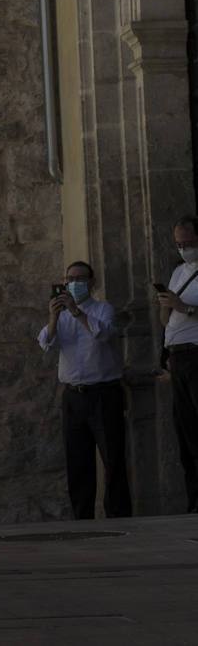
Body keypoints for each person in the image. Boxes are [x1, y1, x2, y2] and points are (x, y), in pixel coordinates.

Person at [37, 260, 131, 519]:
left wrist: (77, 313)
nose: (74, 284)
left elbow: (103, 334)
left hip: (103, 393)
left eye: (80, 279)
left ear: (92, 282)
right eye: (69, 279)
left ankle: (119, 517)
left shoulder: (103, 310)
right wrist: (54, 316)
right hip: (74, 397)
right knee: (78, 461)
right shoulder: (62, 316)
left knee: (112, 459)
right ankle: (82, 518)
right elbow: (46, 343)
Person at [157, 214, 198, 512]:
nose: (183, 248)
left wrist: (182, 306)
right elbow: (167, 320)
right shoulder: (178, 273)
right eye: (179, 244)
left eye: (189, 243)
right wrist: (167, 306)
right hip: (179, 357)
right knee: (186, 434)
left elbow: (184, 311)